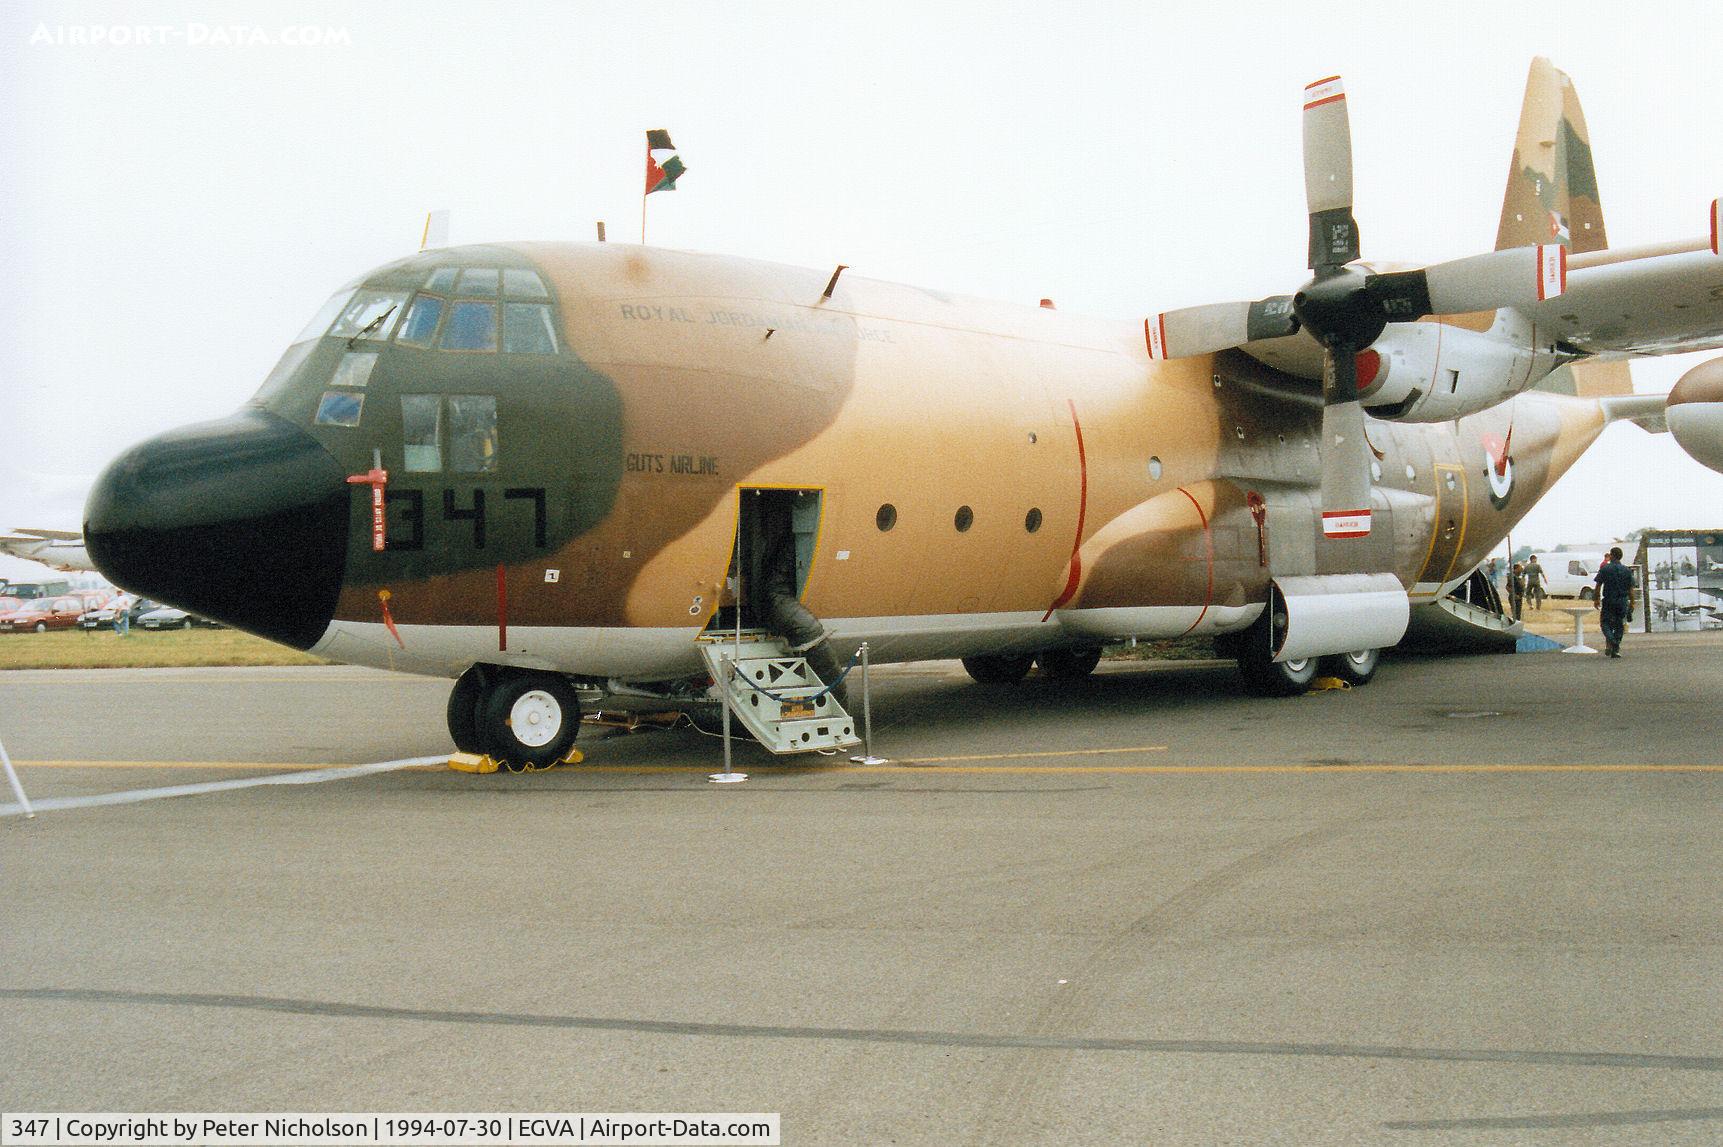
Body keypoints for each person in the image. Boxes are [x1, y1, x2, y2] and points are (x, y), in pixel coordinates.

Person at [1593, 546, 1636, 658]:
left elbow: (1598, 585)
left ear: (1612, 555)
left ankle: (1613, 642)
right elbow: (1631, 589)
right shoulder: (1627, 570)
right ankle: (1615, 648)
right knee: (1619, 625)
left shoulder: (1605, 569)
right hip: (1622, 601)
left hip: (1609, 600)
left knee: (1605, 623)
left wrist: (1596, 599)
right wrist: (1632, 602)